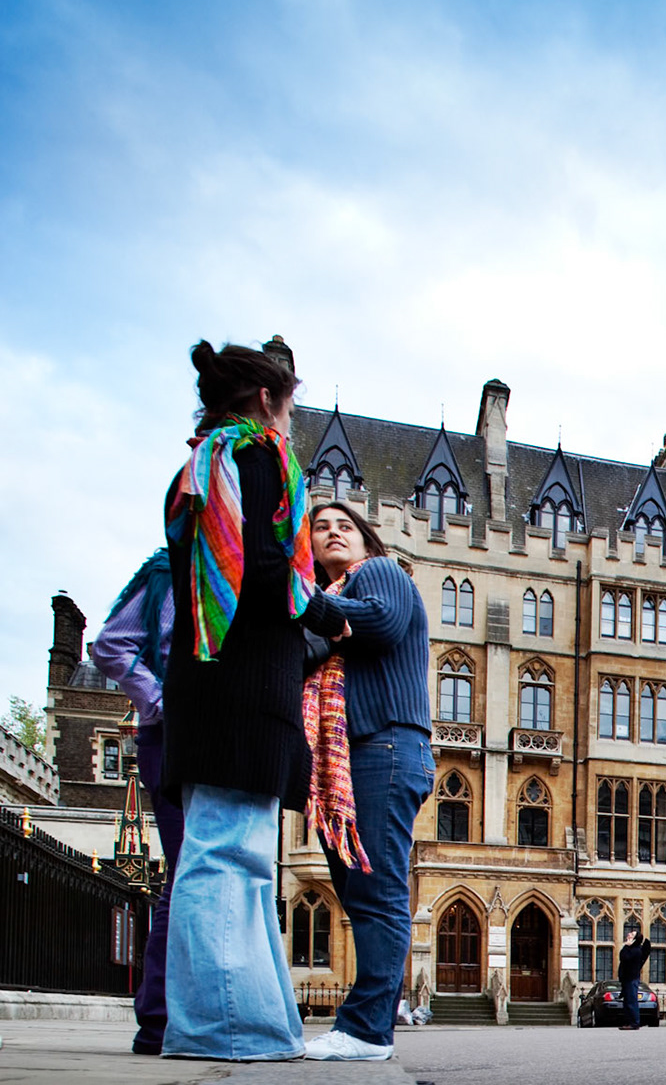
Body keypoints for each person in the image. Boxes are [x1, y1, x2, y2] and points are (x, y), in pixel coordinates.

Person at [161, 340, 349, 1061]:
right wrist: (334, 618)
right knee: (228, 859)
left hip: (207, 685)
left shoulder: (195, 466)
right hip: (240, 691)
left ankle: (245, 1024)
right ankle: (226, 1027)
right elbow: (270, 572)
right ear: (270, 400)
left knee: (226, 858)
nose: (291, 420)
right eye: (291, 405)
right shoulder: (256, 455)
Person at [299, 502, 434, 1062]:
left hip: (386, 745)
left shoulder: (379, 573)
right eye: (320, 528)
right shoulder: (332, 604)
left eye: (344, 526)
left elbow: (378, 624)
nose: (332, 533)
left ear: (365, 539)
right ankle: (361, 1026)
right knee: (359, 892)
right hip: (348, 761)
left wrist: (304, 601)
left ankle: (368, 1030)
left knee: (376, 894)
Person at [90, 549, 180, 1055]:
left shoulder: (244, 572)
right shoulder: (172, 571)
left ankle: (169, 1017)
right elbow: (111, 645)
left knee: (196, 873)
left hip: (220, 741)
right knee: (188, 872)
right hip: (170, 737)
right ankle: (158, 1020)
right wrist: (159, 699)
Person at [617, 928, 653, 1030]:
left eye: (632, 935)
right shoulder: (632, 949)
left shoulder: (636, 950)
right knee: (627, 1002)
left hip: (631, 979)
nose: (628, 935)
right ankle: (629, 1022)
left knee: (631, 1001)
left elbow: (624, 957)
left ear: (635, 939)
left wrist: (626, 946)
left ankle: (634, 1023)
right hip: (627, 978)